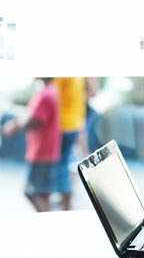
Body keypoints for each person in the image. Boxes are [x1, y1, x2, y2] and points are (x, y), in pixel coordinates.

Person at [1, 78, 61, 212]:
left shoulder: (46, 94)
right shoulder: (50, 91)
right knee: (44, 193)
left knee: (31, 192)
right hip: (49, 150)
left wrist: (14, 126)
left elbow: (35, 120)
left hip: (42, 152)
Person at [54, 77, 86, 210]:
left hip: (63, 124)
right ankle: (66, 198)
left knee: (62, 164)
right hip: (76, 121)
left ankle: (66, 202)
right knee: (70, 161)